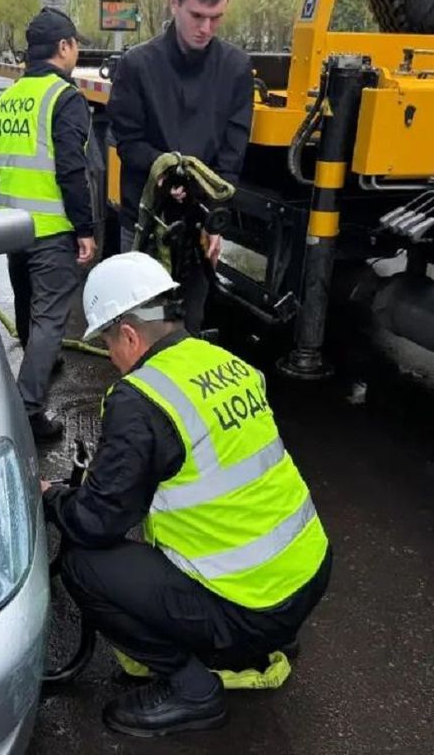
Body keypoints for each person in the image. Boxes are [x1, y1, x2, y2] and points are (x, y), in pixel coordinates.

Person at [43, 252, 331, 737]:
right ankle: (259, 638)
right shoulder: (226, 362)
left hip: (250, 606)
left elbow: (97, 522)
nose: (112, 360)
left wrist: (52, 498)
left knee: (83, 565)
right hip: (305, 577)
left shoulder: (141, 398)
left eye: (109, 345)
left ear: (130, 336)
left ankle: (191, 689)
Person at [108, 0, 254, 335]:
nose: (206, 28)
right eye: (197, 16)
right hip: (144, 222)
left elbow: (232, 153)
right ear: (174, 3)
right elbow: (128, 142)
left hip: (199, 224)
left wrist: (215, 218)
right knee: (142, 326)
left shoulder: (236, 68)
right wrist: (166, 170)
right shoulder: (137, 65)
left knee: (188, 324)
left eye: (216, 17)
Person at [0, 7, 96, 442]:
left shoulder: (7, 97)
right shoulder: (64, 98)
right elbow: (72, 169)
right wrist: (85, 229)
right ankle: (27, 412)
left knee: (26, 305)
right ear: (65, 47)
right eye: (75, 46)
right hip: (51, 229)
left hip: (12, 225)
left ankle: (42, 361)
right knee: (51, 318)